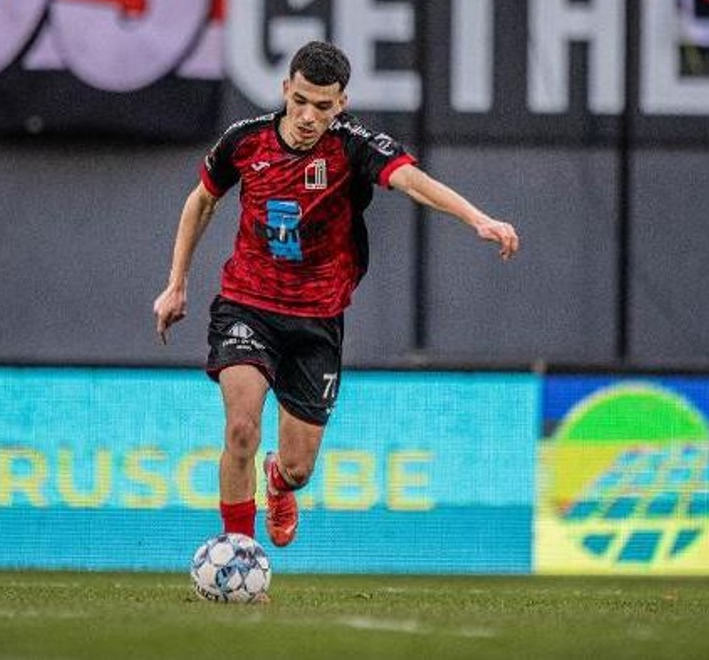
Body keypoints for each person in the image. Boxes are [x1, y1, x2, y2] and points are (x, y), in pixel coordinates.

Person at [153, 40, 518, 550]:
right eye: (299, 101)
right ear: (285, 89)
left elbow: (412, 180)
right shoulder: (245, 141)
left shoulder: (352, 146)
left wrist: (477, 218)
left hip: (317, 319)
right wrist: (177, 283)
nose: (307, 116)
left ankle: (279, 483)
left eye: (322, 106)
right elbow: (201, 203)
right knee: (241, 430)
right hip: (247, 304)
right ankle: (238, 553)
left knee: (300, 468)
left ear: (340, 103)